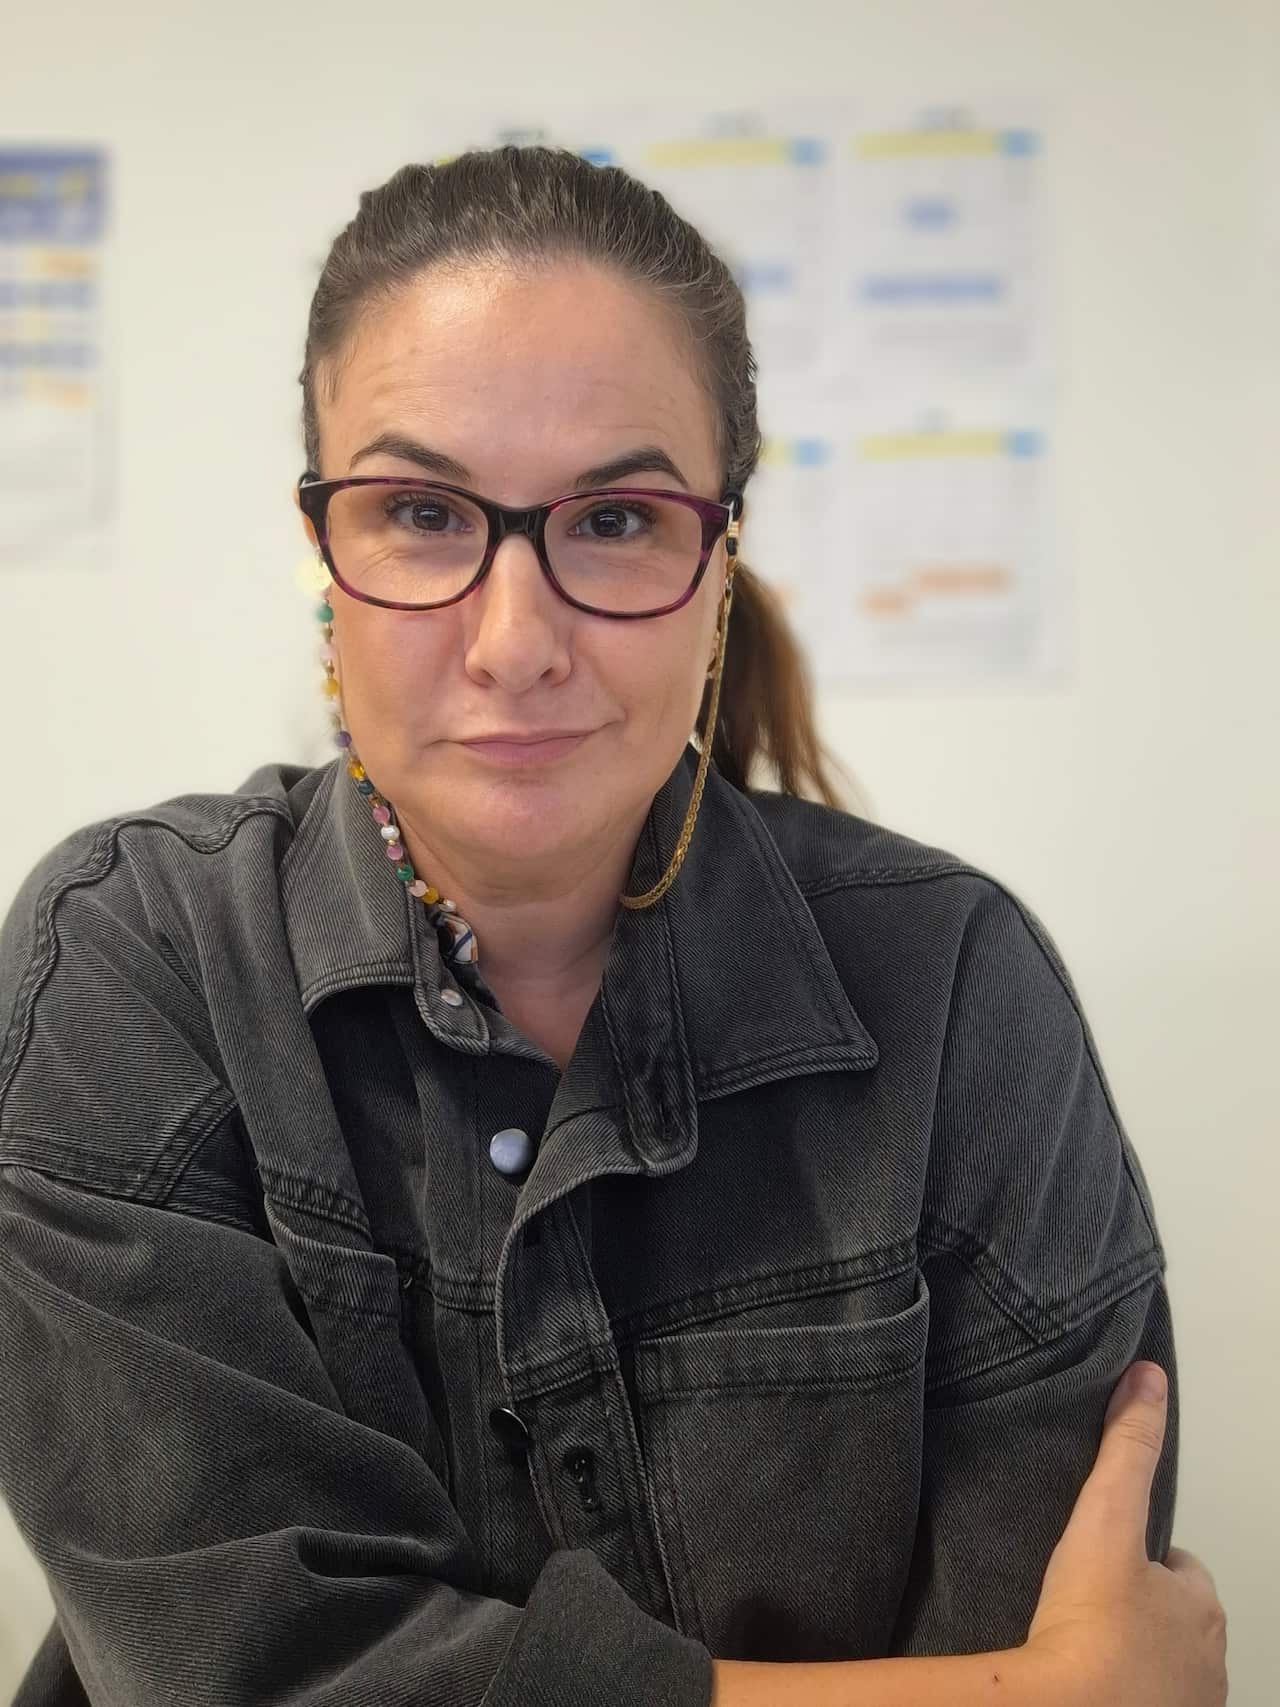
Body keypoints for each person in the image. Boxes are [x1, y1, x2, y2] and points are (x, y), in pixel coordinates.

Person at [0, 145, 1225, 1707]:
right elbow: (246, 1672)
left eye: (620, 522)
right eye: (424, 511)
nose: (517, 643)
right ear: (327, 555)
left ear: (721, 563)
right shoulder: (134, 966)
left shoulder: (955, 991)